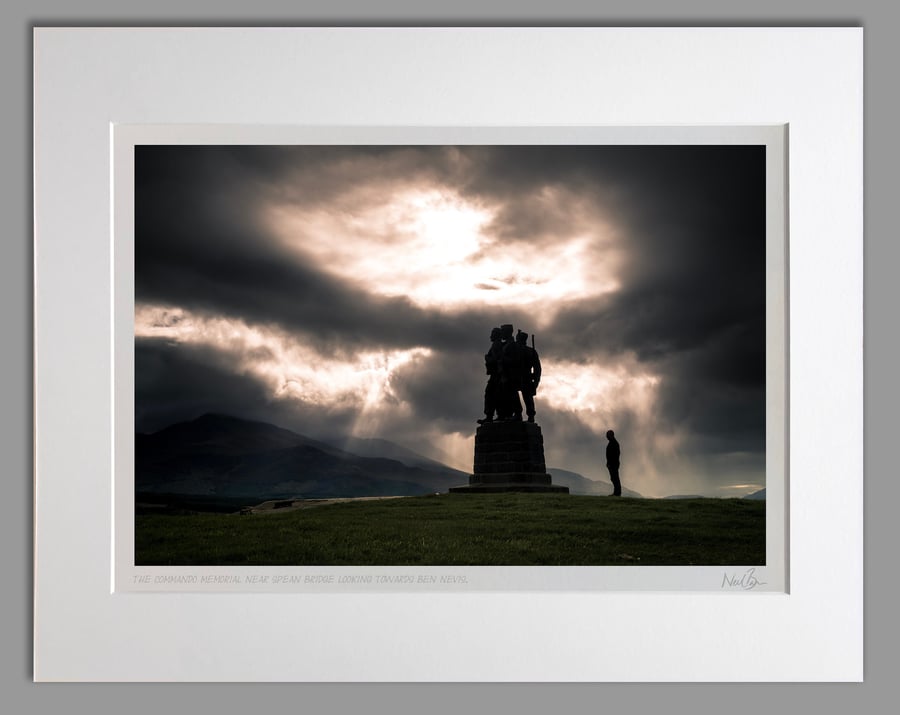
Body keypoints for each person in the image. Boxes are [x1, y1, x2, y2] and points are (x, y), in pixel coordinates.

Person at [477, 327, 503, 424]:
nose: (490, 336)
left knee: (491, 393)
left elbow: (498, 359)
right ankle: (494, 415)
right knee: (494, 394)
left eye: (492, 334)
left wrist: (488, 359)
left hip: (497, 375)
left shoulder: (496, 345)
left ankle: (490, 416)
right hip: (496, 375)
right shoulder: (496, 345)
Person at [515, 330, 542, 423]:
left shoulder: (518, 351)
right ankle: (529, 415)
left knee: (525, 397)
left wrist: (536, 381)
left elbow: (537, 368)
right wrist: (536, 381)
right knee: (527, 398)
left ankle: (521, 414)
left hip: (521, 377)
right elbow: (537, 369)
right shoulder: (531, 351)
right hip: (525, 377)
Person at [498, 324, 523, 420]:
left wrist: (503, 358)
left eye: (503, 331)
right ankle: (507, 414)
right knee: (506, 395)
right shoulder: (506, 344)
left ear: (508, 332)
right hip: (504, 374)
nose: (501, 333)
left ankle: (518, 414)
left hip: (511, 375)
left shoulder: (513, 345)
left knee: (513, 394)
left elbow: (515, 360)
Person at [606, 430, 622, 496]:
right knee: (613, 478)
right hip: (612, 464)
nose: (606, 436)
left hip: (613, 464)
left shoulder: (614, 443)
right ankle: (616, 492)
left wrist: (610, 463)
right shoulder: (612, 443)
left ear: (611, 435)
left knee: (615, 478)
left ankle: (617, 493)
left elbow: (615, 455)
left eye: (607, 435)